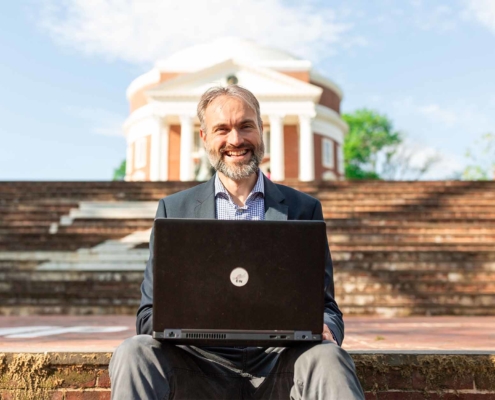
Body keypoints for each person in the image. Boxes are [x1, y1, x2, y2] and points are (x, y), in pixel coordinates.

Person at [109, 85, 364, 400]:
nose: (235, 140)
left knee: (328, 357)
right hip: (198, 366)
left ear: (261, 130)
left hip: (281, 363)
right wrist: (185, 323)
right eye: (222, 129)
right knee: (134, 352)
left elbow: (326, 308)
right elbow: (148, 314)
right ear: (204, 138)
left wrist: (327, 329)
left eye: (246, 126)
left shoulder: (303, 209)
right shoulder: (176, 211)